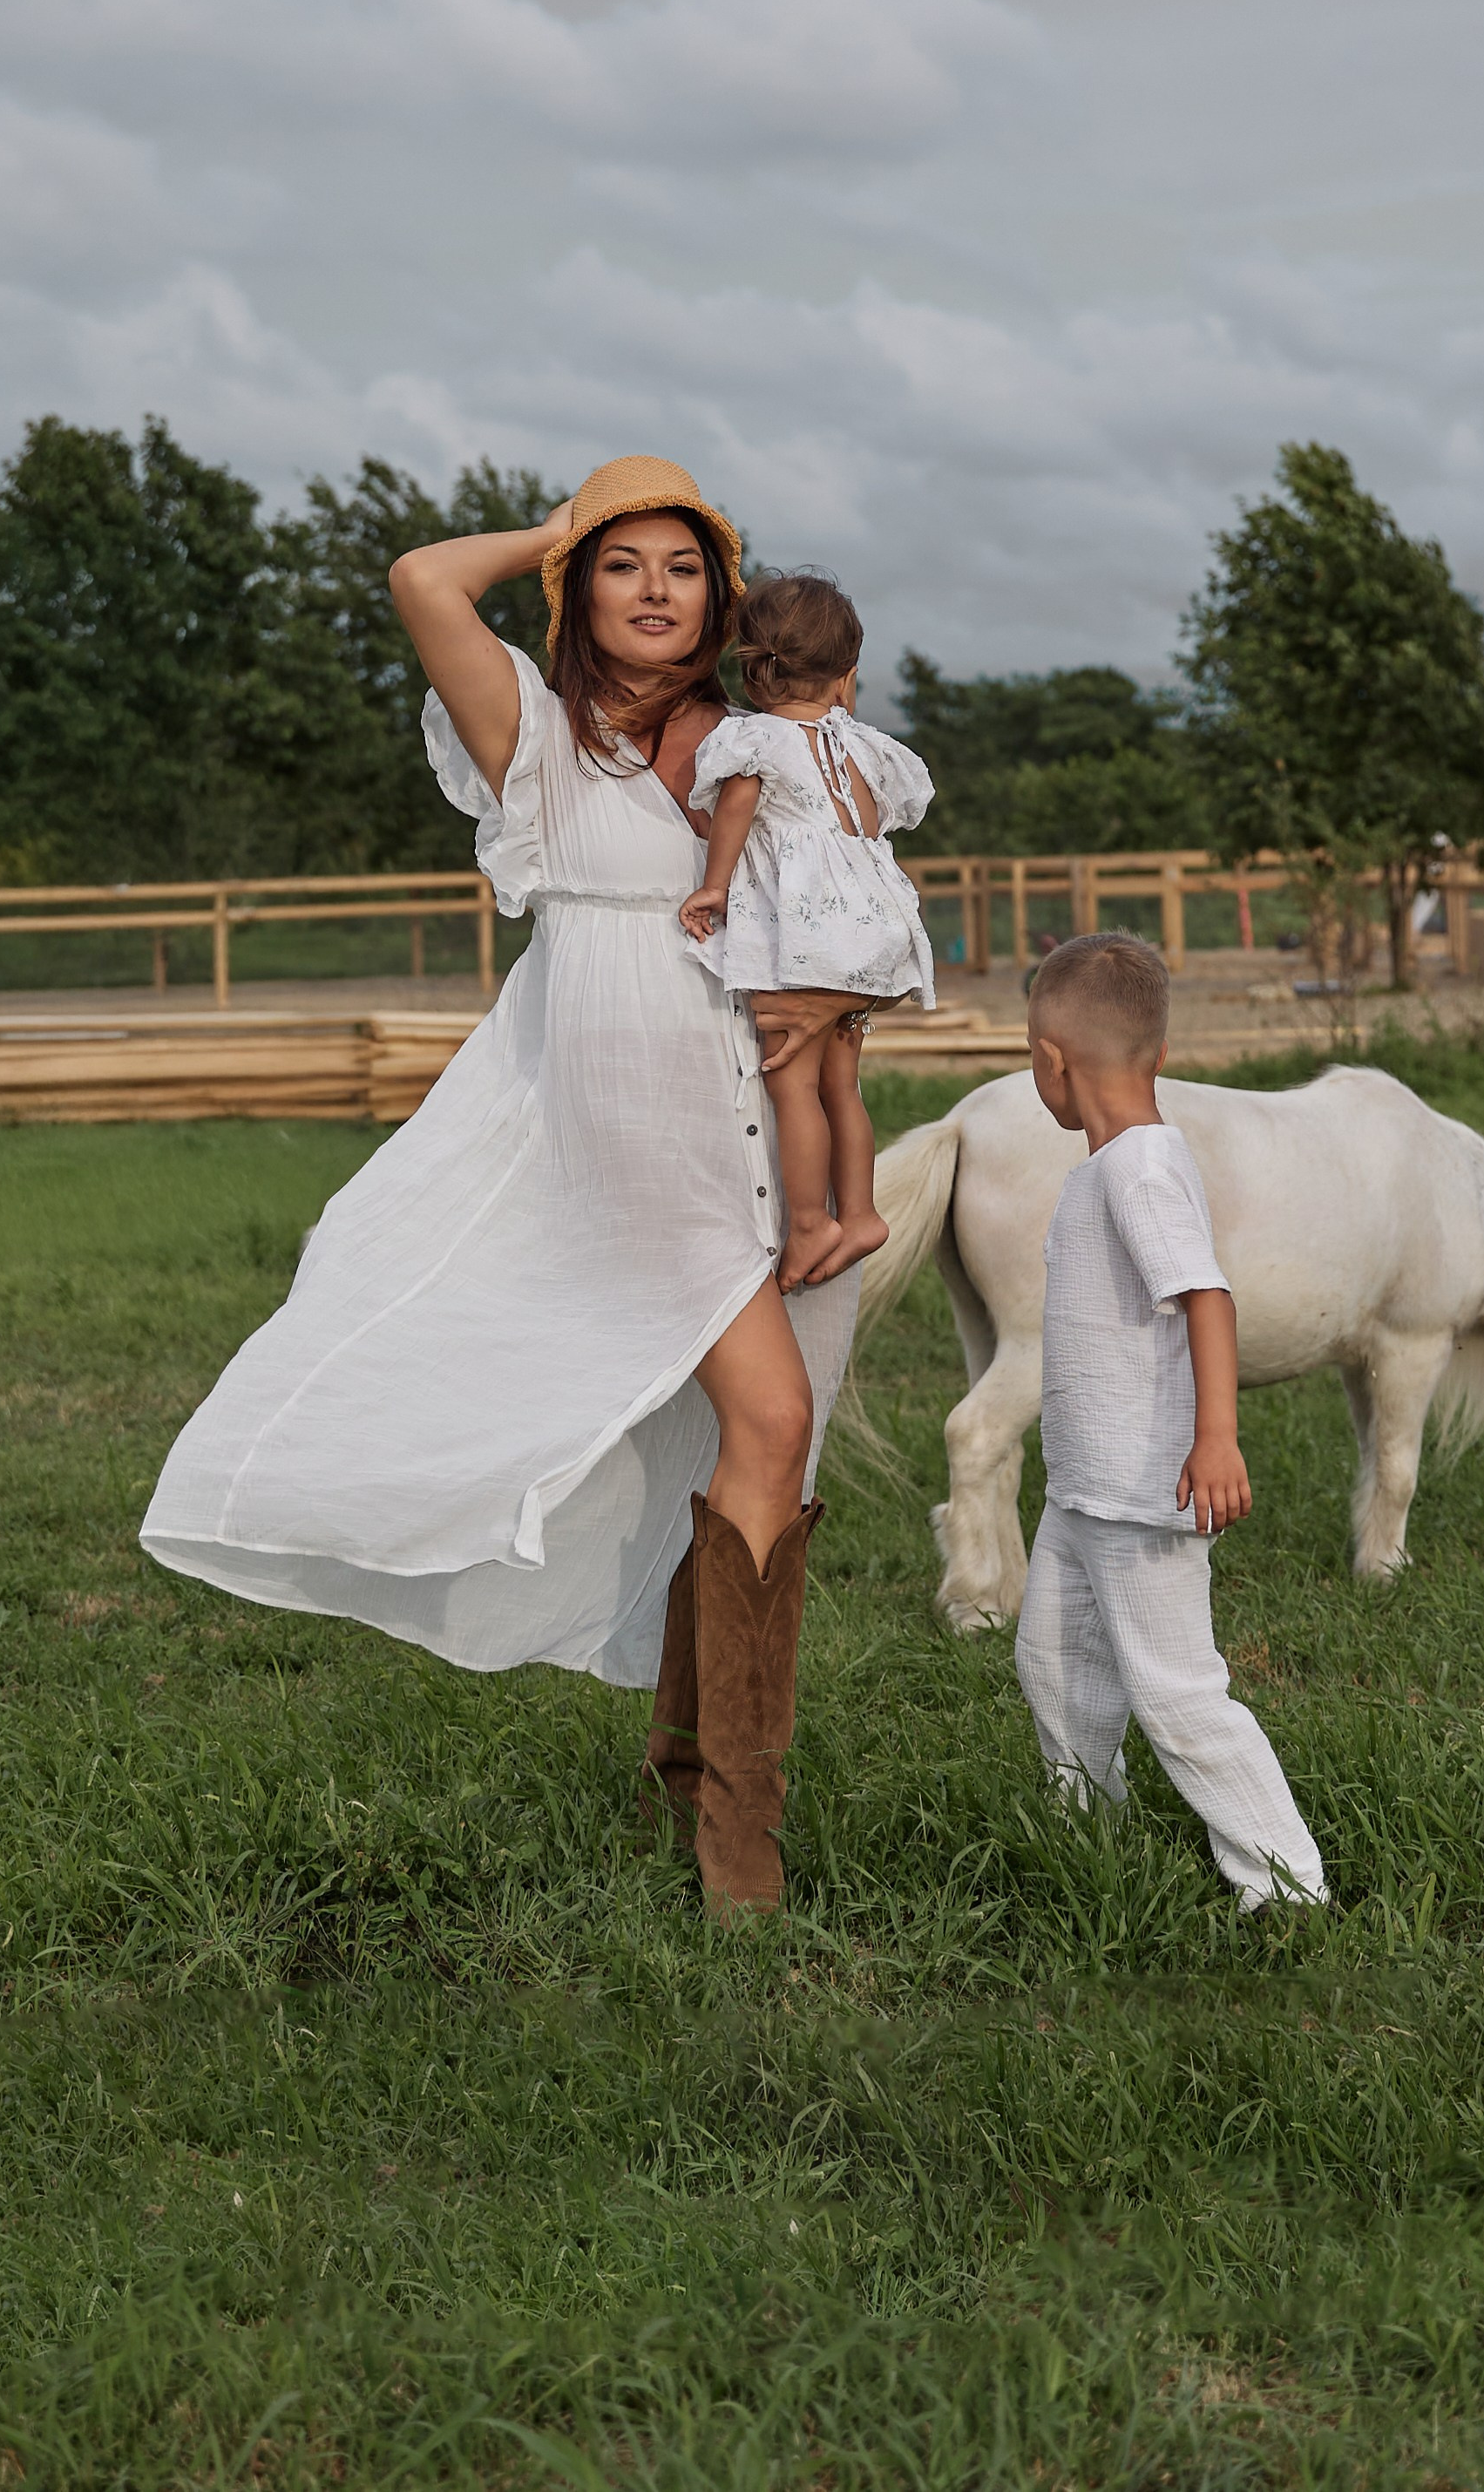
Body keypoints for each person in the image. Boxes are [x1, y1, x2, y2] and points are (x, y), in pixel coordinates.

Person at [139, 456, 859, 1920]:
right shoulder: (536, 741)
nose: (655, 591)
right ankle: (740, 1847)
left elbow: (851, 908)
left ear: (718, 599)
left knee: (753, 1449)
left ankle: (689, 1776)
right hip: (619, 1120)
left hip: (763, 1109)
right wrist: (553, 527)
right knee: (768, 1418)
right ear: (574, 590)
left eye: (681, 568)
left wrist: (842, 1021)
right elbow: (418, 579)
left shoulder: (755, 738)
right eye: (621, 565)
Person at [1013, 931, 1328, 1915]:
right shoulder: (1108, 1167)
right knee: (1054, 1665)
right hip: (1081, 1488)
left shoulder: (1139, 1169)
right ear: (1156, 1054)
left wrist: (1216, 1436)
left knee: (1179, 1696)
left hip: (1145, 1490)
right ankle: (1088, 1836)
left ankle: (1284, 1882)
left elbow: (1207, 1296)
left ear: (1050, 1063)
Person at [678, 571, 934, 1294]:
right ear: (847, 673)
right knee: (840, 1086)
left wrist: (716, 884)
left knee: (792, 1083)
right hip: (870, 934)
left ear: (753, 668)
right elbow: (869, 830)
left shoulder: (755, 737)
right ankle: (860, 1211)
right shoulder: (863, 747)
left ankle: (813, 1221)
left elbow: (735, 809)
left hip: (807, 942)